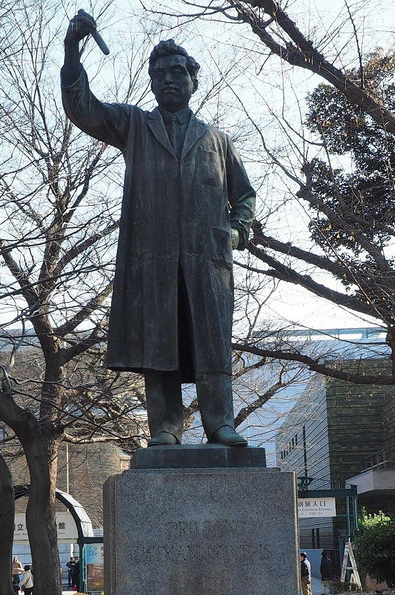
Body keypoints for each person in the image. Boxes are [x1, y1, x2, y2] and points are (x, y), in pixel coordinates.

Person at [62, 15, 256, 447]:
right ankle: (165, 427)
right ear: (151, 83)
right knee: (159, 342)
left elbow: (245, 196)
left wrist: (237, 234)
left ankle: (219, 423)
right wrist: (72, 51)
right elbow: (83, 109)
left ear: (193, 81)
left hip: (208, 259)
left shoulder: (218, 141)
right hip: (153, 257)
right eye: (159, 74)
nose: (168, 80)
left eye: (177, 72)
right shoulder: (134, 126)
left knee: (211, 342)